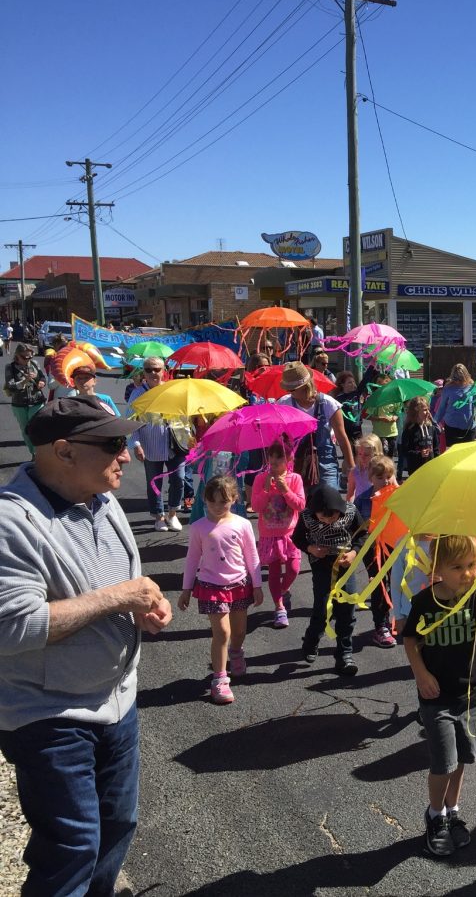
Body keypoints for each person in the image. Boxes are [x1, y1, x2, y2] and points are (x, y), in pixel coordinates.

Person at [0, 396, 172, 896]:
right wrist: (121, 596)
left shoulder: (105, 501)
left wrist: (144, 604)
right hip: (49, 715)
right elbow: (13, 627)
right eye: (113, 444)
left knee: (117, 827)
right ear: (64, 451)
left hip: (118, 705)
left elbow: (125, 581)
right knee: (71, 847)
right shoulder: (12, 523)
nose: (127, 454)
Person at [403, 535, 476, 857]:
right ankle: (435, 816)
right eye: (457, 567)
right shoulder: (425, 601)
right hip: (436, 698)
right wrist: (421, 674)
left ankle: (453, 811)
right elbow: (410, 641)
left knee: (462, 760)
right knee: (443, 763)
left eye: (473, 565)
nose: (467, 573)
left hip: (471, 695)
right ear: (437, 567)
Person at [178, 476, 264, 704]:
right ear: (205, 500)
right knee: (222, 633)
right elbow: (192, 559)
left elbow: (252, 557)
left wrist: (257, 585)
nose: (218, 506)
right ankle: (220, 679)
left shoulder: (243, 524)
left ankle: (236, 653)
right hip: (211, 586)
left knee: (239, 632)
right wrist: (186, 589)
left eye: (223, 501)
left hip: (239, 585)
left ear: (234, 500)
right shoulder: (198, 527)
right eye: (213, 501)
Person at [293, 483, 367, 676]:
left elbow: (362, 535)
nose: (327, 520)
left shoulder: (350, 512)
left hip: (345, 565)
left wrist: (353, 553)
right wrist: (311, 548)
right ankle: (311, 640)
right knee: (324, 608)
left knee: (347, 608)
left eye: (332, 516)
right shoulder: (307, 516)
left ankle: (344, 655)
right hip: (322, 565)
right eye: (322, 517)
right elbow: (298, 538)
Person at [250, 440, 306, 629]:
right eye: (270, 457)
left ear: (289, 458)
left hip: (290, 533)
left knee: (294, 567)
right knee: (274, 571)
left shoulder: (295, 479)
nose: (273, 462)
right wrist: (266, 489)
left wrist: (285, 490)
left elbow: (300, 505)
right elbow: (256, 507)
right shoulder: (260, 479)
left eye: (279, 457)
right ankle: (279, 607)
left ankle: (284, 590)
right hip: (270, 534)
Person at [128, 358, 187, 532]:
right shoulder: (137, 394)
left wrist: (189, 434)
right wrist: (136, 444)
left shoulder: (173, 390)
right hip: (150, 445)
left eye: (157, 369)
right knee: (154, 482)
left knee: (179, 479)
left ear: (164, 371)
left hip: (175, 444)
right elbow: (131, 421)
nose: (153, 373)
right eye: (149, 369)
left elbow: (184, 414)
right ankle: (159, 516)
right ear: (144, 373)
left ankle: (173, 513)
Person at [278, 362, 354, 495]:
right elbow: (280, 437)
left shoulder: (328, 403)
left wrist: (351, 466)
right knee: (301, 506)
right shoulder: (285, 403)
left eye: (292, 389)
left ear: (304, 386)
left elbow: (341, 437)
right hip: (296, 462)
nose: (289, 392)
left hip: (326, 462)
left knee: (328, 501)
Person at [366, 455, 403, 644]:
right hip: (374, 551)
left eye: (389, 476)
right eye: (380, 477)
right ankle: (381, 626)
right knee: (380, 586)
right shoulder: (365, 500)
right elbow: (358, 525)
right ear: (370, 478)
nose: (386, 481)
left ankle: (404, 620)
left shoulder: (402, 496)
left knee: (401, 584)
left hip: (398, 548)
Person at [5, 343, 47, 454]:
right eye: (25, 357)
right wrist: (24, 381)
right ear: (17, 355)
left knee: (36, 428)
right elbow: (10, 385)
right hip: (19, 403)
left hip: (36, 401)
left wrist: (42, 382)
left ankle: (39, 454)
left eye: (30, 356)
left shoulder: (34, 363)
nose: (28, 359)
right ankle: (33, 453)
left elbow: (42, 376)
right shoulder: (10, 367)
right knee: (25, 430)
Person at [434, 364, 476, 447]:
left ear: (465, 376)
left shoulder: (473, 387)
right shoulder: (447, 388)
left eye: (460, 378)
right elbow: (441, 408)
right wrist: (434, 423)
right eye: (456, 378)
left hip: (469, 428)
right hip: (451, 428)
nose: (458, 381)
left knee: (467, 456)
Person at [401, 396, 440, 477]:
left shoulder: (431, 428)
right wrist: (419, 454)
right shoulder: (409, 430)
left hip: (430, 468)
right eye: (425, 410)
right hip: (415, 469)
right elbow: (405, 451)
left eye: (428, 409)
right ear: (416, 412)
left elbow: (436, 449)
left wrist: (437, 464)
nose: (428, 413)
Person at [365, 369, 400, 457]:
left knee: (390, 455)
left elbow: (398, 412)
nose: (383, 384)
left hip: (392, 432)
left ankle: (389, 470)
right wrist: (380, 418)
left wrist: (395, 417)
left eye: (386, 382)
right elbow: (368, 416)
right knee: (382, 453)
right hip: (379, 433)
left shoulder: (394, 398)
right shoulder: (375, 399)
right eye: (380, 383)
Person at [334, 370, 363, 444]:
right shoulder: (338, 399)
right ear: (342, 385)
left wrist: (372, 365)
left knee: (359, 454)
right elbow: (335, 418)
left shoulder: (357, 394)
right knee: (349, 454)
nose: (353, 384)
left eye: (353, 382)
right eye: (350, 382)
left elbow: (365, 380)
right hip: (345, 433)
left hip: (358, 431)